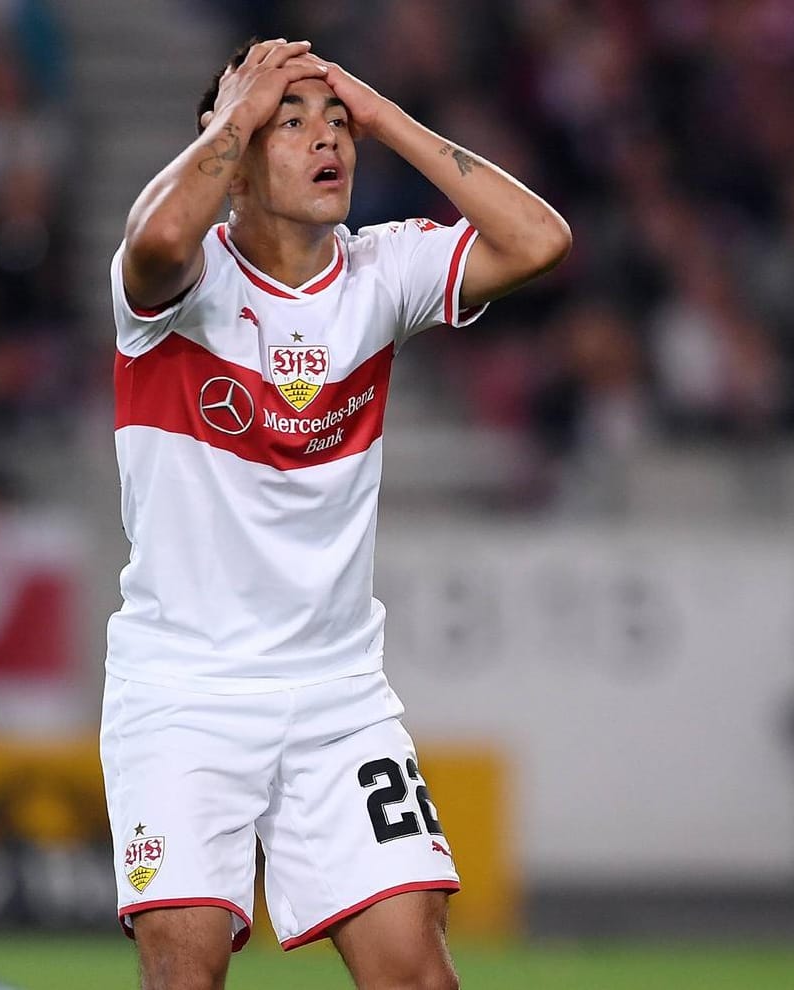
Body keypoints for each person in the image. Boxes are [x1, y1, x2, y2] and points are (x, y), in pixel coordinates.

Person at [103, 37, 570, 990]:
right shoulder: (183, 287)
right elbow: (153, 243)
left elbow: (540, 241)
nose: (328, 141)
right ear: (231, 151)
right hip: (186, 694)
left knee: (418, 977)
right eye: (293, 121)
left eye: (336, 125)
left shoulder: (379, 272)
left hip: (338, 700)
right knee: (184, 980)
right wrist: (235, 114)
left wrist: (384, 113)